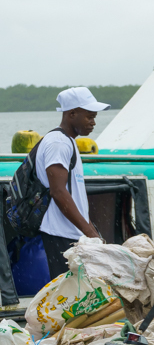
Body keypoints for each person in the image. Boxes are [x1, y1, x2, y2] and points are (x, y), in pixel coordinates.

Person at [35, 87, 110, 276]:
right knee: (66, 296)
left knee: (75, 296)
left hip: (72, 234)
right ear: (72, 114)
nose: (93, 123)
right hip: (60, 234)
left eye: (95, 117)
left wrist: (91, 231)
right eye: (89, 117)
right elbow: (58, 192)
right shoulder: (58, 143)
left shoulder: (68, 142)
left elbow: (73, 194)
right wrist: (91, 234)